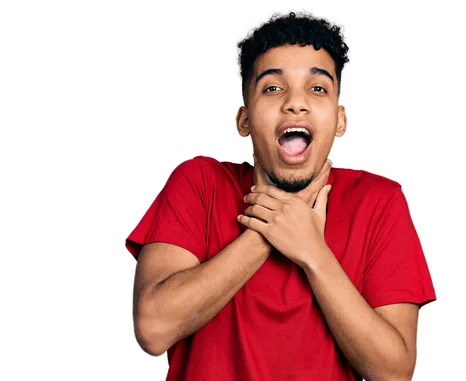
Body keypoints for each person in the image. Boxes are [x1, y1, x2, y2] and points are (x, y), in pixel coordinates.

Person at [125, 11, 436, 381]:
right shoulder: (199, 183)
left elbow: (394, 373)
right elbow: (153, 328)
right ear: (244, 120)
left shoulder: (379, 201)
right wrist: (267, 232)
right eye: (273, 88)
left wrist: (314, 254)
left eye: (317, 88)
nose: (295, 102)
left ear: (339, 120)